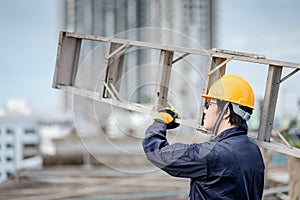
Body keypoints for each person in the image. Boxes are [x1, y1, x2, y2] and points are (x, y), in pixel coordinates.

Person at [142, 74, 265, 200]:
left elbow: (157, 152)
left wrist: (160, 122)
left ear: (226, 112)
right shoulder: (253, 151)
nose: (205, 110)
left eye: (209, 104)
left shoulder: (215, 153)